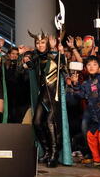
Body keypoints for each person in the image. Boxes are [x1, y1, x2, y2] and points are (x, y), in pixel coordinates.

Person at [22, 31, 72, 168]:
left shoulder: (55, 55)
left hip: (54, 94)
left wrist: (59, 51)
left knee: (51, 122)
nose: (40, 45)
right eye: (37, 42)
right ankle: (48, 150)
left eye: (42, 42)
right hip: (42, 94)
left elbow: (64, 68)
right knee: (37, 122)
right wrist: (24, 57)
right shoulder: (36, 57)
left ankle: (55, 154)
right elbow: (27, 67)